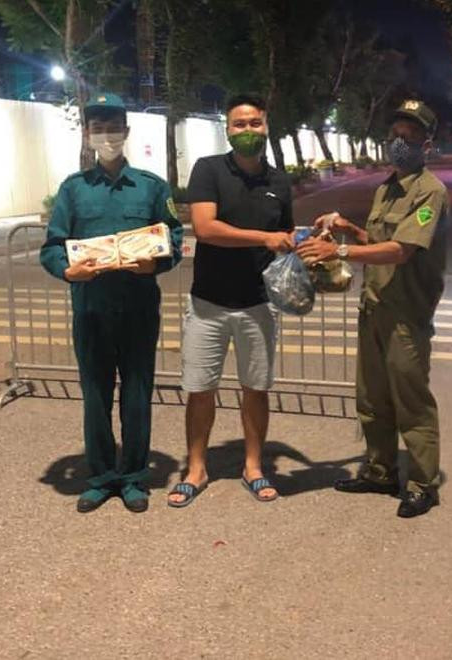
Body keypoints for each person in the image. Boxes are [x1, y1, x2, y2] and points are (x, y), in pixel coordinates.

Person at [296, 99, 448, 518]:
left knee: (411, 401)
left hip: (406, 315)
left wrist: (339, 249)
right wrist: (350, 229)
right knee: (372, 398)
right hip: (375, 307)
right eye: (396, 134)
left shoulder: (430, 191)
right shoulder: (386, 188)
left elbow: (401, 250)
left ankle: (422, 483)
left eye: (410, 136)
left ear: (426, 145)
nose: (399, 142)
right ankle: (380, 471)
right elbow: (379, 241)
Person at [40, 92, 183, 514]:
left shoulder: (152, 187)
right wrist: (68, 271)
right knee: (95, 395)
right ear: (87, 134)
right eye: (98, 128)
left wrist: (157, 263)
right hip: (91, 310)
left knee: (137, 394)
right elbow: (52, 247)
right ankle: (102, 477)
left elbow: (173, 238)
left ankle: (134, 477)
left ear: (126, 131)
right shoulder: (73, 189)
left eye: (113, 127)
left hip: (139, 309)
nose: (106, 135)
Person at [167, 93, 294, 507]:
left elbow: (284, 237)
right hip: (209, 303)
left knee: (255, 389)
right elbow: (205, 228)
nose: (247, 130)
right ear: (228, 129)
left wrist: (312, 243)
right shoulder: (208, 170)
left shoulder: (279, 182)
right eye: (240, 124)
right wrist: (264, 238)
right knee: (200, 389)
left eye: (255, 123)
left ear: (266, 126)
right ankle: (196, 469)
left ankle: (253, 467)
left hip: (259, 303)